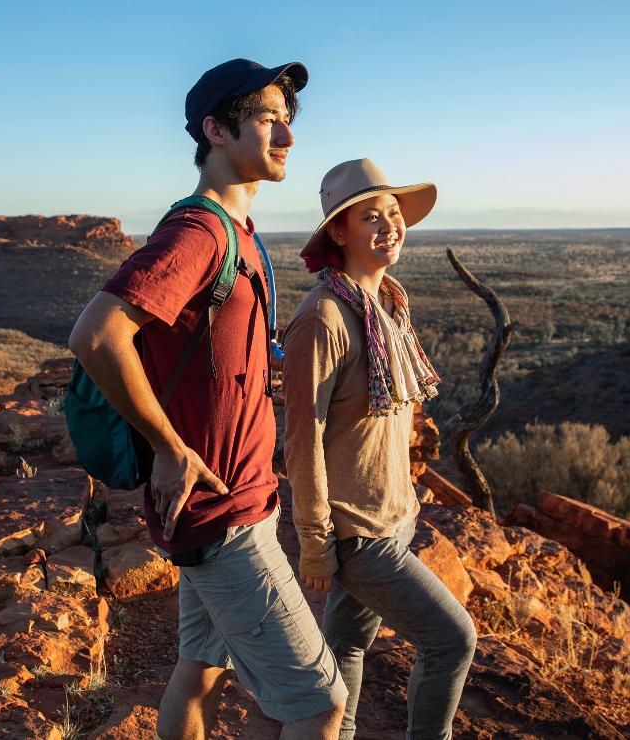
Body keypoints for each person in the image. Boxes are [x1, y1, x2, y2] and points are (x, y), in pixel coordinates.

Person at [68, 59, 346, 739]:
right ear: (216, 130)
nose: (287, 136)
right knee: (318, 702)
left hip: (232, 498)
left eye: (288, 120)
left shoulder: (239, 230)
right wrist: (169, 448)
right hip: (223, 513)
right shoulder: (200, 232)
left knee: (201, 670)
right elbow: (97, 335)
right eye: (269, 119)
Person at [283, 158, 477, 740]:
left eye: (394, 213)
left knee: (347, 642)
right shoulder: (323, 318)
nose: (390, 225)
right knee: (452, 640)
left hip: (392, 516)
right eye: (371, 216)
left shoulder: (387, 304)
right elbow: (301, 438)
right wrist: (315, 542)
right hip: (356, 532)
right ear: (339, 233)